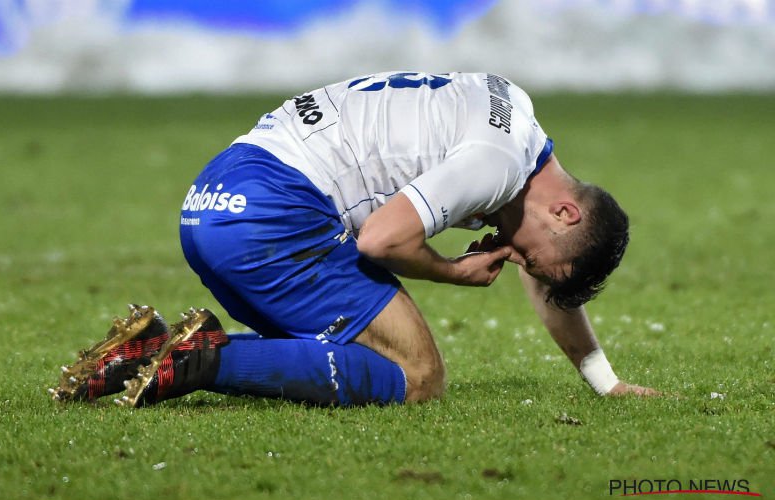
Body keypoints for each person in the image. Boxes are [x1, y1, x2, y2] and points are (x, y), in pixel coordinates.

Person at [50, 71, 658, 407]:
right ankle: (198, 359)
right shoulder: (497, 164)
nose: (517, 260)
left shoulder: (514, 116)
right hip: (274, 214)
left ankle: (147, 351)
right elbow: (379, 241)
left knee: (345, 350)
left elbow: (549, 276)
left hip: (214, 199)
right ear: (566, 212)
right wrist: (451, 271)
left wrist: (603, 380)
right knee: (418, 375)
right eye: (532, 257)